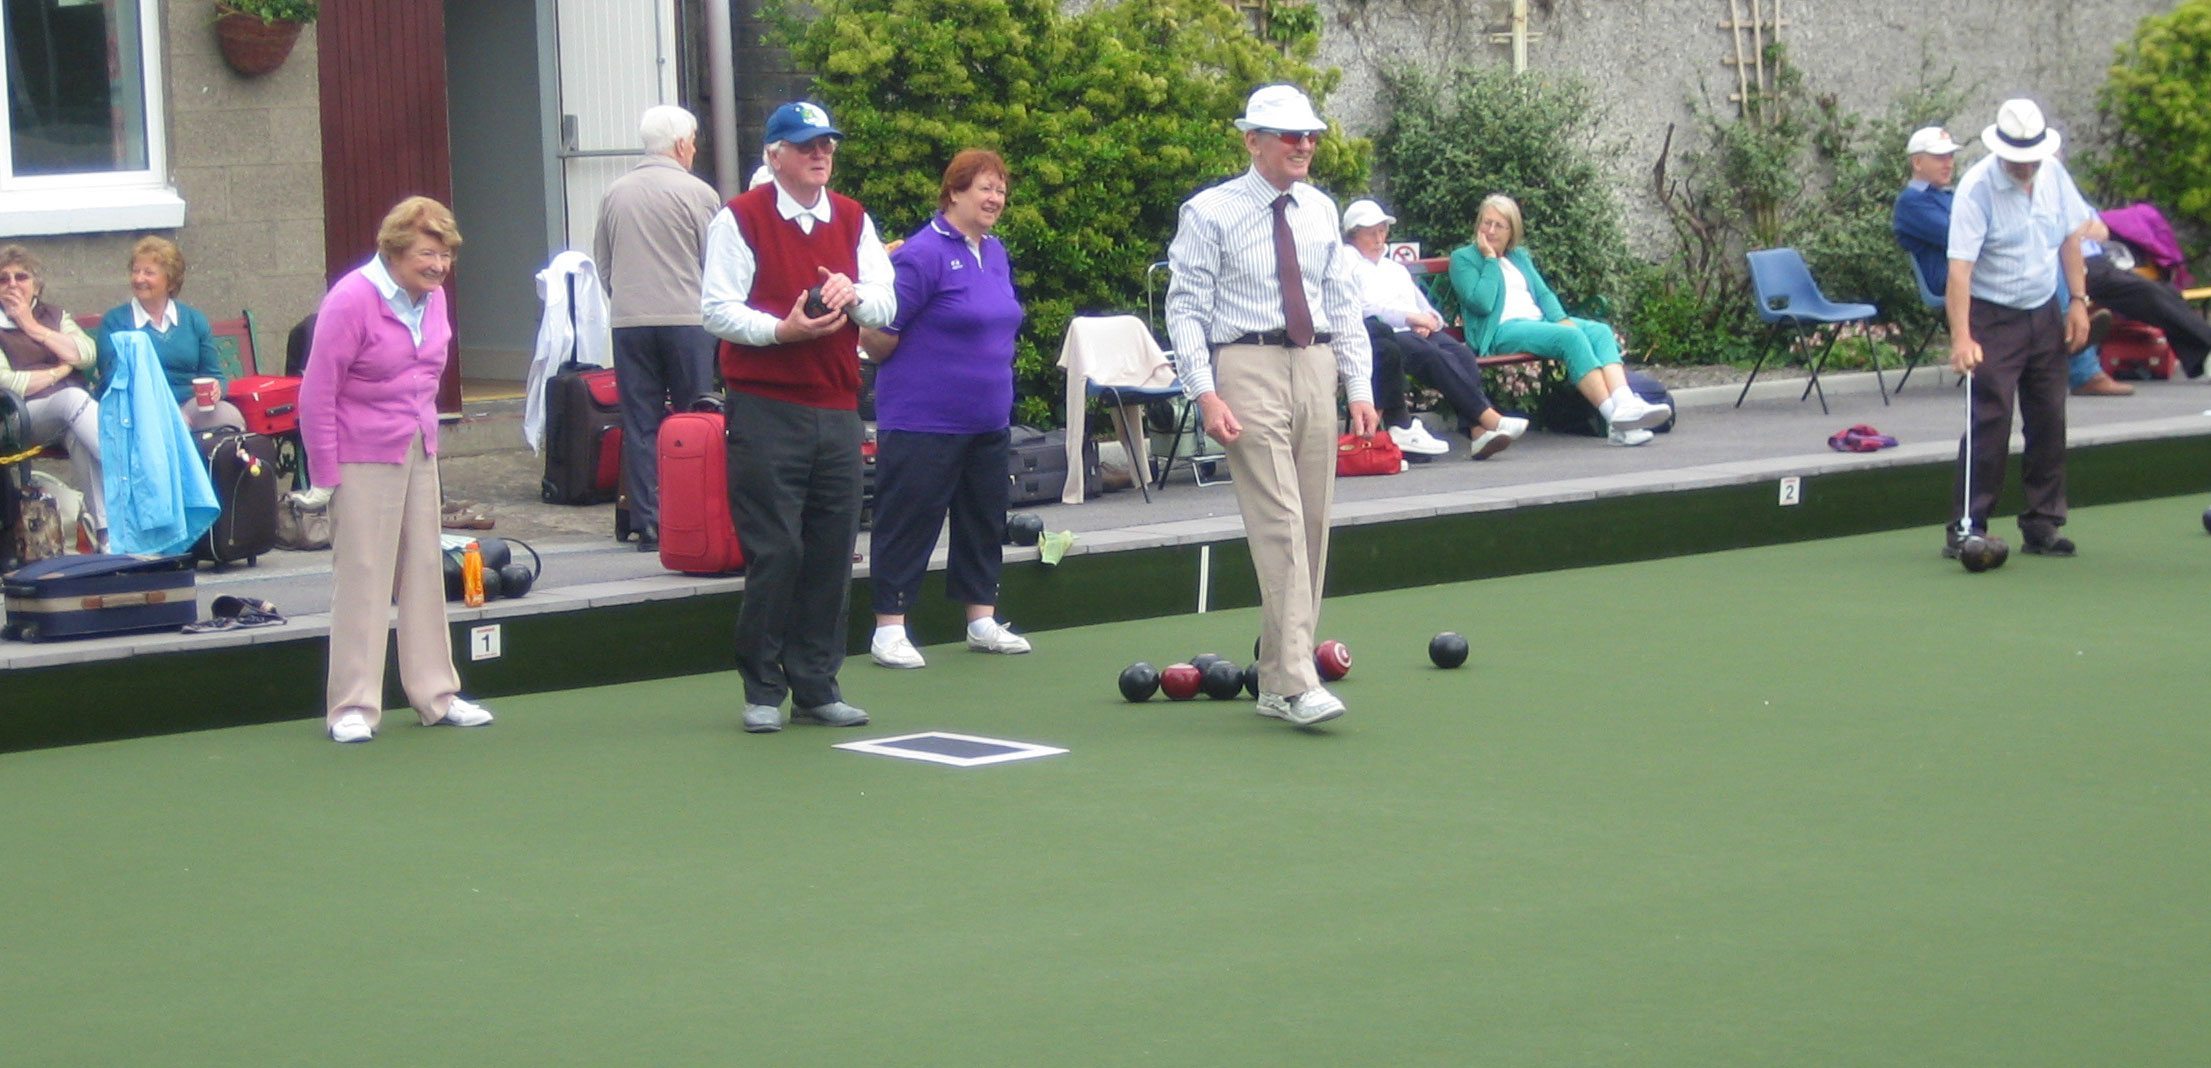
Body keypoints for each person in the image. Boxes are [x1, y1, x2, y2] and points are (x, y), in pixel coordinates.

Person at [1163, 84, 1374, 728]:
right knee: (1280, 519)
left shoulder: (1320, 209)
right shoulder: (1210, 211)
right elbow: (1185, 306)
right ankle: (1292, 678)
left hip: (1314, 365)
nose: (1304, 145)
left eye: (1310, 135)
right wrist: (1204, 391)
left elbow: (1342, 302)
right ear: (1252, 140)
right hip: (1245, 363)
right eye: (1289, 135)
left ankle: (1279, 678)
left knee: (1311, 522)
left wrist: (1359, 387)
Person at [700, 101, 895, 733]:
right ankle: (763, 687)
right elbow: (717, 309)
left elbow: (886, 301)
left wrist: (853, 293)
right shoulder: (740, 218)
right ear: (775, 154)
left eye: (828, 145)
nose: (822, 154)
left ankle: (816, 686)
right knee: (776, 550)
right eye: (808, 144)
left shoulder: (853, 218)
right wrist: (781, 330)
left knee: (832, 552)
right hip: (765, 408)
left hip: (837, 409)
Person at [302, 196, 494, 743]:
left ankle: (437, 695)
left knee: (424, 568)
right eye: (428, 254)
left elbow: (425, 375)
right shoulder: (351, 300)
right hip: (359, 452)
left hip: (418, 447)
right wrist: (324, 474)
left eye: (446, 256)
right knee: (364, 574)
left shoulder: (431, 299)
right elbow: (318, 390)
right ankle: (352, 707)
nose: (439, 267)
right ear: (395, 251)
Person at [857, 149, 1031, 669]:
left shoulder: (995, 253)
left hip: (988, 419)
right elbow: (876, 335)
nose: (995, 197)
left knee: (982, 520)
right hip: (923, 421)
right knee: (908, 521)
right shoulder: (921, 254)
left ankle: (981, 620)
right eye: (984, 187)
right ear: (953, 192)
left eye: (1000, 189)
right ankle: (889, 628)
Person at [1944, 99, 2093, 558]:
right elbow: (1959, 271)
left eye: (2031, 159)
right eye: (2017, 159)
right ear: (2000, 150)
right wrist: (1962, 336)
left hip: (2043, 309)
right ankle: (1967, 528)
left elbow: (2070, 239)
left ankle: (2043, 523)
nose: (2025, 167)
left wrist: (2079, 303)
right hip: (1992, 315)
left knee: (2049, 416)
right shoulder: (1976, 189)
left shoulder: (2053, 176)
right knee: (1990, 419)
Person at [1893, 125, 2129, 397]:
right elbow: (1966, 242)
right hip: (1955, 277)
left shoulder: (1948, 195)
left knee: (2049, 263)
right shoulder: (1911, 203)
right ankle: (2075, 349)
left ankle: (2071, 332)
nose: (1948, 163)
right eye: (1939, 157)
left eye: (1950, 156)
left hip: (1987, 269)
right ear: (1917, 162)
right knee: (2048, 269)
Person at [593, 105, 724, 552]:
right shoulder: (699, 193)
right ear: (683, 144)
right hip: (688, 318)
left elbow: (603, 264)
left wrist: (627, 298)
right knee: (695, 419)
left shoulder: (615, 193)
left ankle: (649, 523)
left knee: (640, 423)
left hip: (630, 321)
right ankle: (692, 516)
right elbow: (716, 263)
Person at [1449, 195, 1670, 446]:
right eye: (1486, 223)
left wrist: (1561, 319)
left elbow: (1543, 294)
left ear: (1512, 231)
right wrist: (1490, 259)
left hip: (1538, 322)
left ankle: (1625, 402)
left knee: (1599, 331)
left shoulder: (1519, 257)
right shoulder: (1463, 258)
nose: (1490, 230)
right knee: (1571, 337)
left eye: (1499, 225)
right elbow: (1481, 302)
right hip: (1501, 331)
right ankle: (1614, 420)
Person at [1342, 198, 1528, 460]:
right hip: (1382, 335)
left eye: (1382, 230)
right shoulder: (1347, 264)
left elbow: (1426, 307)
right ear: (1353, 234)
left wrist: (1430, 321)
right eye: (1371, 232)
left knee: (1461, 354)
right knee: (1432, 356)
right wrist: (1409, 319)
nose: (1379, 237)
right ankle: (1490, 419)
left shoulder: (1393, 268)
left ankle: (1476, 432)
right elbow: (1362, 309)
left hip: (1414, 331)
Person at [0, 244, 105, 548]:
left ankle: (106, 534)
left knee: (80, 438)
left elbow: (86, 354)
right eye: (3, 279)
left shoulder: (55, 315)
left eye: (21, 277)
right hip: (20, 417)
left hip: (70, 418)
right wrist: (59, 372)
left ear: (36, 285)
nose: (12, 284)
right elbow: (8, 381)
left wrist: (30, 326)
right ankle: (126, 462)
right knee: (72, 398)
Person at [96, 236, 251, 429]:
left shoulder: (194, 320)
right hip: (138, 408)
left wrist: (217, 389)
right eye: (135, 271)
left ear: (170, 281)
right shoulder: (115, 322)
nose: (138, 278)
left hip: (189, 404)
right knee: (175, 426)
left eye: (148, 273)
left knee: (229, 417)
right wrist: (167, 411)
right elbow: (114, 379)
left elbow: (214, 375)